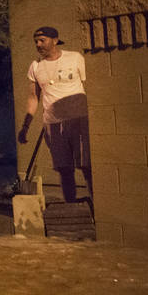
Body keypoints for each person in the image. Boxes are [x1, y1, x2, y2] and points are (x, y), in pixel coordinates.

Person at [17, 26, 93, 215]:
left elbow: (88, 86)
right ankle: (72, 207)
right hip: (53, 123)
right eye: (36, 41)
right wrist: (25, 126)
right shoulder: (36, 66)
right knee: (64, 168)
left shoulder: (75, 58)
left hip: (79, 120)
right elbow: (33, 98)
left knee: (86, 165)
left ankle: (95, 206)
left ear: (55, 40)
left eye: (42, 40)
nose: (38, 44)